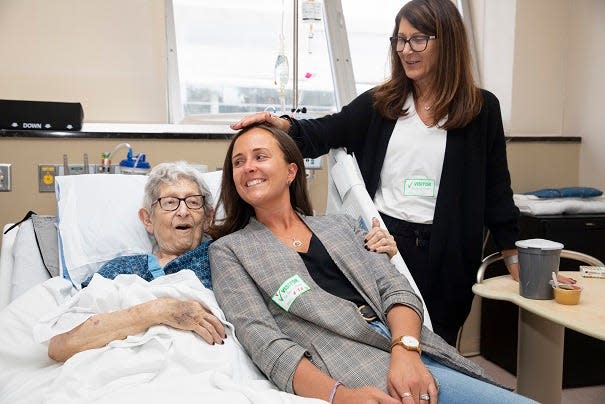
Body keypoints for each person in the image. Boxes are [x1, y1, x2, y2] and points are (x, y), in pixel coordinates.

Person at [229, 0, 519, 346]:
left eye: (417, 40)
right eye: (399, 40)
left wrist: (514, 257)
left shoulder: (481, 109)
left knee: (440, 348)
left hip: (448, 252)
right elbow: (324, 132)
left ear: (448, 41)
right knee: (388, 343)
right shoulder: (382, 104)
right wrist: (282, 125)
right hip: (383, 245)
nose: (405, 50)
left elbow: (497, 192)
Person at [208, 124, 535, 403]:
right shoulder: (231, 251)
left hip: (406, 339)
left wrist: (405, 350)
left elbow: (395, 288)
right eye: (239, 162)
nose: (248, 167)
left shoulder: (342, 226)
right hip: (348, 363)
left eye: (260, 156)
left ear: (292, 170)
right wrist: (340, 395)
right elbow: (263, 341)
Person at [47, 161, 226, 362]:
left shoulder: (223, 258)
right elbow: (60, 346)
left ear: (208, 217)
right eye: (169, 202)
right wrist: (159, 310)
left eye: (193, 202)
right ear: (147, 219)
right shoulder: (121, 268)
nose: (183, 211)